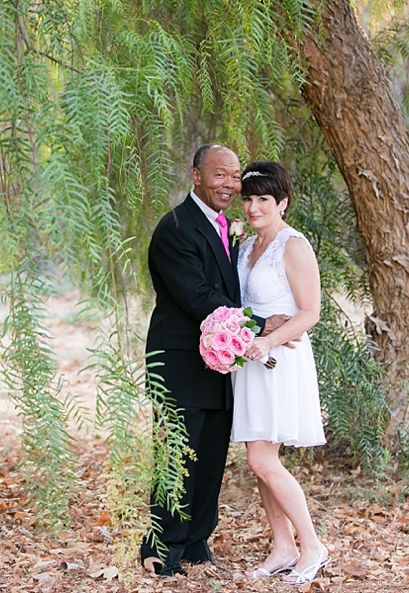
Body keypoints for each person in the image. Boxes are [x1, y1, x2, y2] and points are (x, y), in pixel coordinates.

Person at [140, 145, 289, 576]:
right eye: (218, 174)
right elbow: (199, 297)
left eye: (234, 175)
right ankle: (161, 548)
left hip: (222, 363)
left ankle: (195, 542)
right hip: (180, 361)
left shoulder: (228, 228)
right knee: (176, 457)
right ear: (196, 176)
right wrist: (261, 323)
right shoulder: (176, 228)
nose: (228, 183)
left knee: (208, 458)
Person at [232, 161, 329, 585]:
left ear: (282, 203)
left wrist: (269, 340)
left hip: (279, 360)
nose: (254, 208)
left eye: (264, 200)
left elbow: (310, 311)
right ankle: (283, 546)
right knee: (260, 463)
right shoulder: (246, 245)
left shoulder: (293, 246)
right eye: (249, 199)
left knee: (262, 458)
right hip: (250, 362)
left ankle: (312, 545)